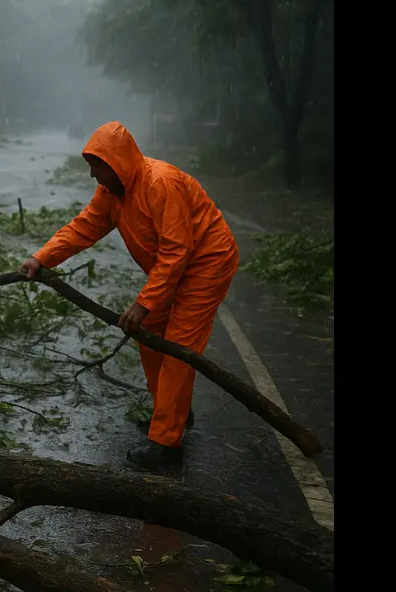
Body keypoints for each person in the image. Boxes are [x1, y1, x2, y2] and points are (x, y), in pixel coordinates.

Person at [19, 121, 238, 469]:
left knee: (178, 347)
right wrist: (41, 258)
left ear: (116, 162)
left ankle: (166, 443)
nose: (92, 174)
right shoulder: (111, 192)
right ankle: (172, 413)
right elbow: (83, 228)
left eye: (96, 165)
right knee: (149, 336)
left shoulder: (160, 183)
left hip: (207, 263)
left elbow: (177, 251)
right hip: (172, 269)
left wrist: (144, 303)